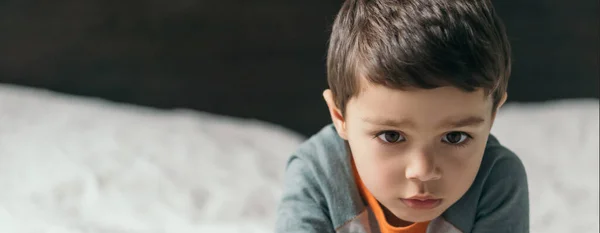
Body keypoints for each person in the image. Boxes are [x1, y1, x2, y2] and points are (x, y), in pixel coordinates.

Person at [275, 0, 529, 232]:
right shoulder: (316, 174)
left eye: (454, 137)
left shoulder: (498, 180)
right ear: (340, 118)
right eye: (392, 136)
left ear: (493, 116)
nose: (423, 171)